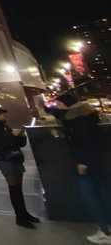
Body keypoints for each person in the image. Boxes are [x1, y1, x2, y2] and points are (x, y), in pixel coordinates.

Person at [55, 92, 111, 243]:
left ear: (66, 104)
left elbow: (84, 142)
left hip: (87, 164)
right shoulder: (86, 114)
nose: (57, 107)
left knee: (92, 197)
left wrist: (82, 162)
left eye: (59, 104)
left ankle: (105, 232)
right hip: (98, 162)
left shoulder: (76, 120)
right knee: (103, 192)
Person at [0, 104, 39, 229]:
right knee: (14, 189)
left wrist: (21, 135)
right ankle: (20, 218)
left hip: (15, 158)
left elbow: (20, 144)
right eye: (0, 114)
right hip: (5, 160)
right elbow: (2, 144)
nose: (3, 115)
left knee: (18, 189)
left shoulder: (4, 126)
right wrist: (14, 135)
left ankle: (24, 214)